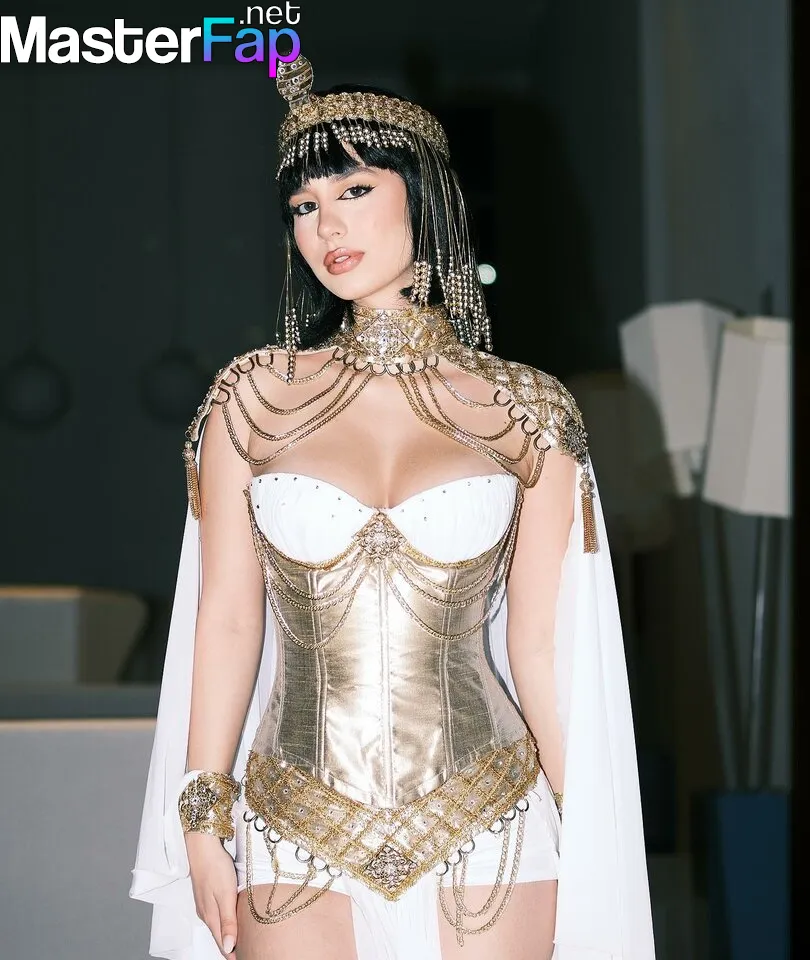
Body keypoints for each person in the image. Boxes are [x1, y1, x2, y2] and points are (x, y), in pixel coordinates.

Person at [130, 54, 656, 960]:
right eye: (303, 206)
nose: (327, 226)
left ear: (425, 196)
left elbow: (538, 647)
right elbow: (227, 622)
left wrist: (590, 828)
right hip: (292, 821)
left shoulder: (529, 409)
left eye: (355, 190)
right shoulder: (251, 399)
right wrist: (202, 818)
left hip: (492, 817)